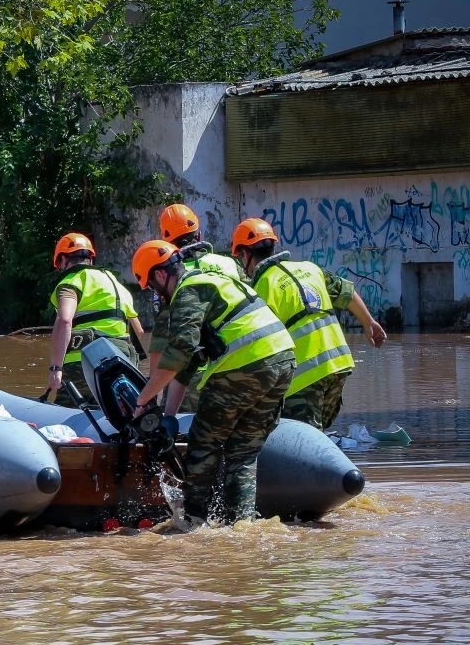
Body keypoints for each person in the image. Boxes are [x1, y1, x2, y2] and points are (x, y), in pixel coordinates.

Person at [130, 239, 296, 525]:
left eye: (152, 287)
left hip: (247, 363)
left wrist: (142, 400)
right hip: (282, 361)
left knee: (203, 444)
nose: (156, 295)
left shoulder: (187, 290)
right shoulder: (217, 280)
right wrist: (168, 415)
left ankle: (193, 523)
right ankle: (241, 525)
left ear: (159, 274)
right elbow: (190, 361)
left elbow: (179, 351)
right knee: (243, 451)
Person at [230, 217, 387, 430]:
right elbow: (347, 293)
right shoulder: (309, 268)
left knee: (302, 440)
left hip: (305, 375)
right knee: (317, 434)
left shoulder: (260, 288)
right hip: (339, 365)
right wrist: (369, 323)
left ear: (245, 254)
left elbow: (257, 348)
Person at [148, 204, 246, 411]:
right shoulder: (228, 264)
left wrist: (151, 392)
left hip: (186, 376)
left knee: (181, 436)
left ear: (165, 241)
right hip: (234, 365)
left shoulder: (173, 273)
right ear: (199, 234)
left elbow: (162, 339)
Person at [46, 232, 144, 407]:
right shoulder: (115, 283)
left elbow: (65, 320)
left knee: (67, 409)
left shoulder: (71, 282)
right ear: (90, 259)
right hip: (122, 363)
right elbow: (139, 332)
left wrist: (56, 369)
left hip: (85, 361)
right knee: (112, 409)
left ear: (62, 260)